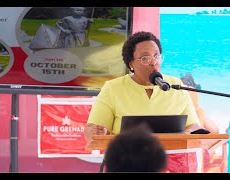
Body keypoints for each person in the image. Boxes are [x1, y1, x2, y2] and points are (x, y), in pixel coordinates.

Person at [84, 31, 205, 173]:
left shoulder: (175, 84)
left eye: (156, 56)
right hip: (127, 164)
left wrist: (185, 134)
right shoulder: (113, 88)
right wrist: (95, 132)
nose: (153, 62)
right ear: (131, 64)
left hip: (174, 165)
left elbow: (194, 126)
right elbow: (91, 133)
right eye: (145, 58)